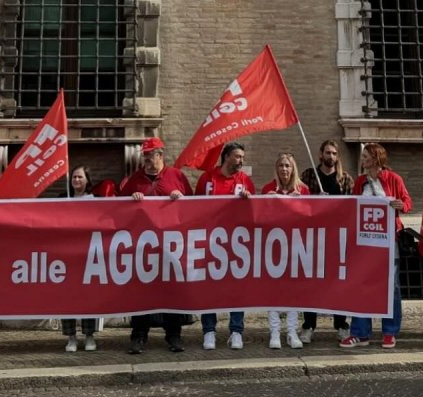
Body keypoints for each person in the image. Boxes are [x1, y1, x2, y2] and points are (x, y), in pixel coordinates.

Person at [120, 137, 192, 354]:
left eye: (149, 156)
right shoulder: (135, 180)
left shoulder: (177, 177)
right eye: (145, 157)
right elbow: (119, 207)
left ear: (160, 156)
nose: (146, 161)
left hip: (171, 245)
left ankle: (174, 336)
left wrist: (182, 199)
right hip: (144, 247)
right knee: (141, 293)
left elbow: (194, 206)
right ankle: (139, 336)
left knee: (172, 291)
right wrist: (130, 200)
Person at [341, 143, 411, 349]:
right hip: (364, 242)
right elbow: (353, 206)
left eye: (365, 156)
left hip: (390, 241)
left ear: (376, 158)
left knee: (391, 287)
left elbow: (407, 202)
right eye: (362, 156)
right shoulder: (360, 181)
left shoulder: (393, 179)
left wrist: (400, 205)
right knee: (360, 285)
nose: (362, 159)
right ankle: (360, 333)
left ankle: (390, 332)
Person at [195, 142, 254, 350]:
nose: (241, 161)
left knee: (235, 288)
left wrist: (248, 201)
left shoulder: (245, 181)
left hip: (235, 243)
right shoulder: (207, 179)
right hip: (210, 241)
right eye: (237, 157)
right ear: (226, 157)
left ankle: (236, 331)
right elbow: (194, 207)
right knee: (208, 287)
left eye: (242, 157)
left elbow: (253, 212)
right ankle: (209, 330)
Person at [298, 140, 354, 343]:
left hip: (337, 239)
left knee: (338, 284)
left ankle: (341, 325)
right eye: (327, 153)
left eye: (334, 153)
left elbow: (351, 209)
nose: (331, 157)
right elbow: (298, 204)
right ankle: (309, 325)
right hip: (312, 239)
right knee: (311, 284)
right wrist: (314, 201)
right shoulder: (308, 176)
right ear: (320, 154)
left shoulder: (346, 180)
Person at [261, 153, 309, 349]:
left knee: (293, 291)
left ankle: (291, 331)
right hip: (273, 247)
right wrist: (265, 201)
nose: (284, 169)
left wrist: (302, 203)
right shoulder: (268, 189)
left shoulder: (303, 190)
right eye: (281, 165)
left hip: (296, 247)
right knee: (272, 291)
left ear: (293, 168)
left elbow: (312, 217)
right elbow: (260, 218)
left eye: (287, 166)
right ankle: (274, 331)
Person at [60, 165, 100, 352]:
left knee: (88, 298)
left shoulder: (96, 201)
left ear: (87, 180)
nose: (76, 180)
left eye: (80, 177)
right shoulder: (61, 199)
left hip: (88, 256)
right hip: (66, 257)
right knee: (68, 299)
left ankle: (89, 336)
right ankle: (71, 337)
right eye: (74, 177)